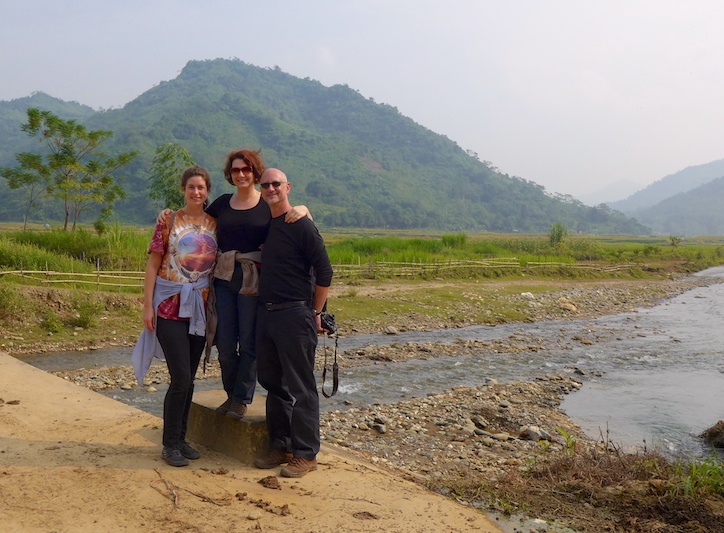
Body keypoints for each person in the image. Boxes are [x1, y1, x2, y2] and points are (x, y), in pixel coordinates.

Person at [205, 149, 309, 420]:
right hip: (225, 278)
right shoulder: (221, 204)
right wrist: (169, 215)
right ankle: (231, 394)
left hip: (254, 280)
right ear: (230, 174)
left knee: (249, 342)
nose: (241, 174)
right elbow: (196, 222)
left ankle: (241, 399)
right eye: (236, 170)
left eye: (246, 169)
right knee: (225, 344)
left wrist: (304, 209)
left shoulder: (267, 203)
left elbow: (293, 217)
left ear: (255, 173)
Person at [132, 166, 217, 467]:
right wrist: (147, 306)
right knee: (180, 377)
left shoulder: (215, 223)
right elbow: (153, 265)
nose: (196, 192)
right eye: (191, 187)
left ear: (207, 191)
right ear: (183, 189)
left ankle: (181, 439)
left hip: (199, 310)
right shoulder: (168, 221)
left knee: (189, 380)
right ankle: (169, 445)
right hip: (168, 307)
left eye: (201, 187)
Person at [253, 168, 333, 478]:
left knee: (301, 386)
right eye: (266, 185)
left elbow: (325, 271)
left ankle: (306, 454)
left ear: (287, 187)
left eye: (276, 184)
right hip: (268, 314)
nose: (271, 188)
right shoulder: (270, 224)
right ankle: (282, 446)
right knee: (273, 382)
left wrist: (315, 311)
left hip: (295, 314)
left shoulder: (301, 224)